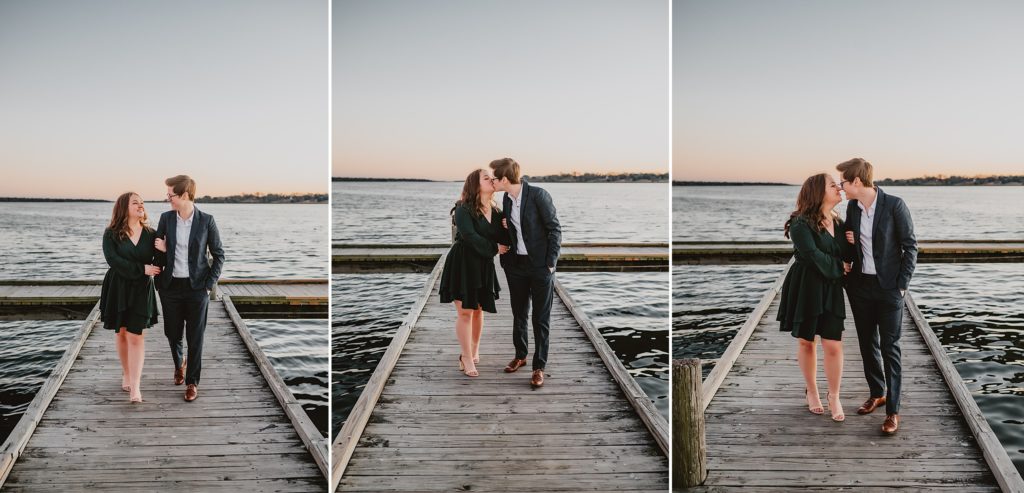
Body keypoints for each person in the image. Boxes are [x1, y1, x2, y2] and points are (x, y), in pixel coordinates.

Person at [837, 158, 917, 435]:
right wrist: (847, 244)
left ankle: (893, 410)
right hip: (860, 286)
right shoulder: (851, 206)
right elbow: (850, 247)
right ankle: (877, 393)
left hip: (889, 288)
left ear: (857, 181)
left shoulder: (894, 205)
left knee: (890, 347)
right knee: (867, 343)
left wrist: (902, 286)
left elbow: (911, 247)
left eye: (844, 182)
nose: (841, 187)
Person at [777, 173, 854, 422]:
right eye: (833, 185)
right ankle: (812, 390)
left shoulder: (840, 223)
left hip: (831, 288)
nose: (839, 188)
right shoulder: (800, 224)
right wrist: (840, 265)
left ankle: (834, 395)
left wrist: (851, 245)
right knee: (806, 342)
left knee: (833, 344)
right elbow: (812, 256)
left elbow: (847, 255)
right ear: (818, 192)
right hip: (806, 287)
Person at [489, 158, 561, 388]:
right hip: (515, 266)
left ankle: (539, 367)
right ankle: (521, 355)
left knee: (541, 318)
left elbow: (554, 229)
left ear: (505, 179)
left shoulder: (539, 195)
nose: (492, 181)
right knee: (519, 313)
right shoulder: (506, 199)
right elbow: (514, 229)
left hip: (540, 266)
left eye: (494, 177)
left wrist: (550, 263)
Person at [153, 175, 225, 402]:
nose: (168, 199)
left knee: (196, 337)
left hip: (197, 289)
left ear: (184, 195)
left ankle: (192, 382)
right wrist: (164, 250)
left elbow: (219, 256)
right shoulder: (166, 219)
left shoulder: (206, 221)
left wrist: (207, 286)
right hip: (170, 287)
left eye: (170, 195)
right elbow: (156, 252)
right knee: (172, 333)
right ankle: (179, 363)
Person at [438, 168, 509, 377]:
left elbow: (506, 240)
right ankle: (466, 357)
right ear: (475, 184)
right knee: (465, 312)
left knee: (479, 310)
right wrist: (495, 248)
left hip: (484, 264)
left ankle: (474, 349)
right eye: (486, 178)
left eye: (491, 178)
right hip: (462, 263)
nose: (491, 180)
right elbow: (469, 236)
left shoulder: (497, 212)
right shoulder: (462, 208)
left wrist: (508, 226)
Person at [99, 192, 161, 403]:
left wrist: (165, 250)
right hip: (117, 287)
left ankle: (135, 386)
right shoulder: (111, 233)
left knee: (136, 335)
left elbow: (159, 264)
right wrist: (141, 268)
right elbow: (112, 260)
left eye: (142, 202)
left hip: (142, 289)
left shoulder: (152, 234)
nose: (141, 205)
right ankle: (126, 372)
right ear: (124, 207)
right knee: (122, 333)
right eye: (135, 202)